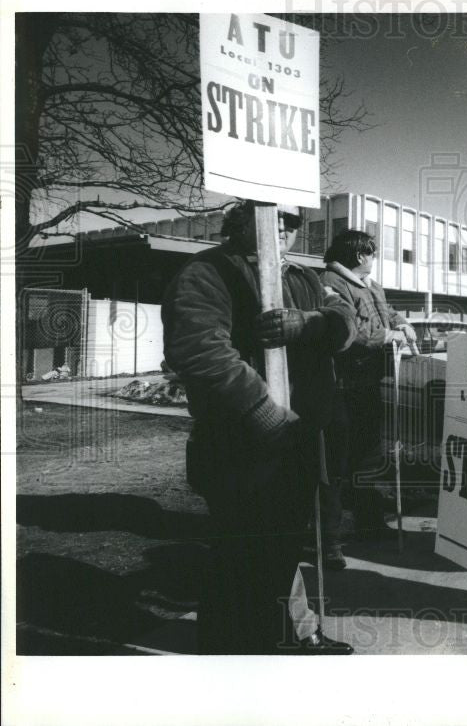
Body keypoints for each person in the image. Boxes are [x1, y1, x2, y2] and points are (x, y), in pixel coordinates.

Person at [162, 201, 357, 654]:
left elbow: (347, 323)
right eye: (274, 215)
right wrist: (264, 412)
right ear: (241, 220)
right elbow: (199, 351)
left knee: (280, 551)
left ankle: (295, 632)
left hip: (299, 439)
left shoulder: (303, 277)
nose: (285, 226)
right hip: (241, 444)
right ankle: (236, 661)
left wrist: (310, 323)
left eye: (293, 220)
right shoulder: (207, 271)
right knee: (241, 563)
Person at [320, 230, 417, 549]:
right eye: (372, 253)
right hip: (341, 385)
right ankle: (328, 538)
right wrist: (390, 337)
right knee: (337, 462)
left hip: (368, 383)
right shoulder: (332, 283)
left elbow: (386, 313)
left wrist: (401, 323)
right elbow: (352, 330)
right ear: (360, 255)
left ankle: (370, 525)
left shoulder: (371, 286)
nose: (375, 258)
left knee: (369, 458)